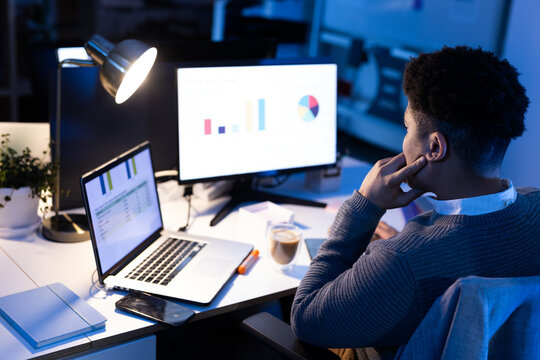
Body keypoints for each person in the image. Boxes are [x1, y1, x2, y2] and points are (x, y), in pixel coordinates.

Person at [290, 46, 537, 359]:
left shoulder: (403, 263)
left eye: (407, 127)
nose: (403, 141)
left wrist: (364, 206)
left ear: (434, 147)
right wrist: (404, 250)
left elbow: (305, 318)